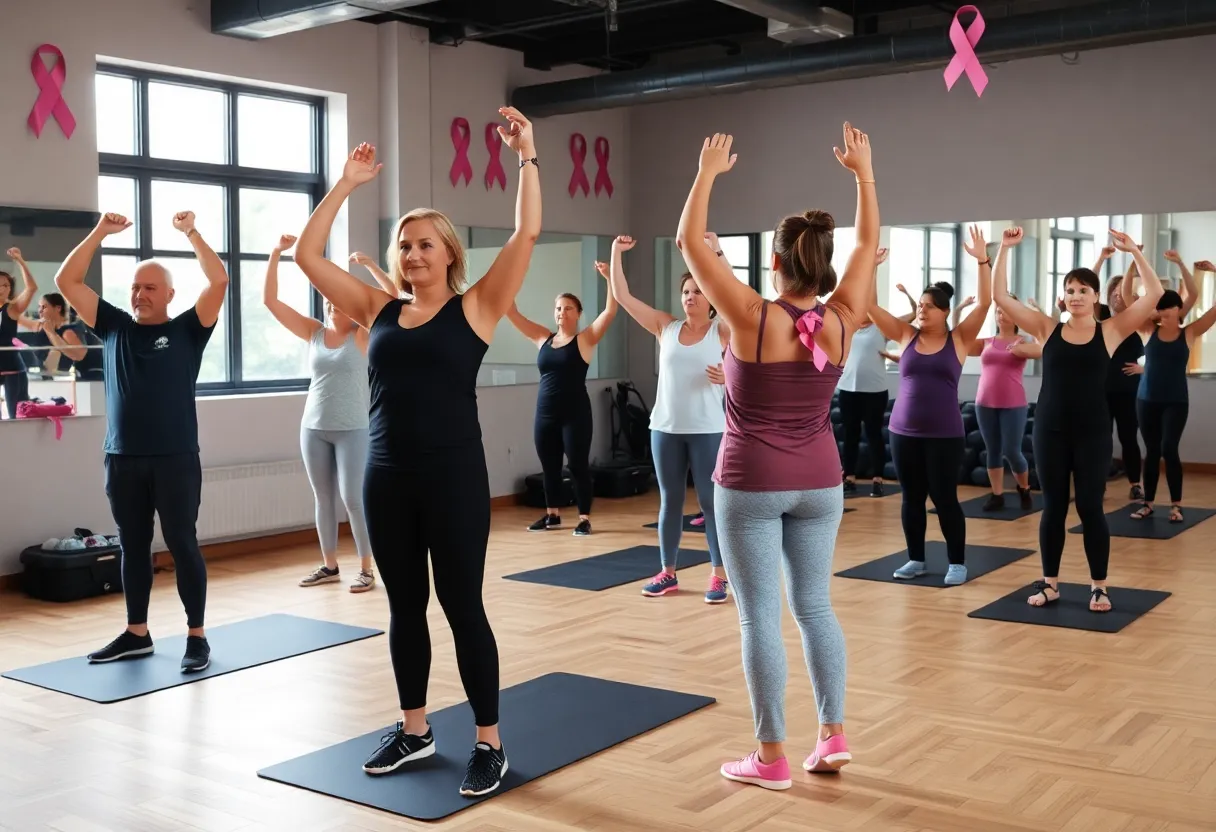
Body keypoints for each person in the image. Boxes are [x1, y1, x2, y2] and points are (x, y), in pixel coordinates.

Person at [292, 107, 539, 798]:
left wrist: (528, 157)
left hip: (455, 478)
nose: (414, 254)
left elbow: (526, 232)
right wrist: (343, 185)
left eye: (427, 244)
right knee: (405, 609)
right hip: (389, 478)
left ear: (450, 255)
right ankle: (415, 728)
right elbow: (310, 259)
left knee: (463, 607)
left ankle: (488, 741)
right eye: (405, 245)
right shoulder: (377, 309)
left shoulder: (479, 307)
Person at [676, 125, 876, 790]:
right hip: (822, 481)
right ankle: (833, 734)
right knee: (815, 608)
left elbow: (686, 245)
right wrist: (864, 176)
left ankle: (770, 758)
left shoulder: (751, 317)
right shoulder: (843, 317)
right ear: (821, 264)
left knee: (760, 615)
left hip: (751, 481)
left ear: (777, 265)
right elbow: (869, 246)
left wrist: (707, 174)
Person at [55, 210, 228, 671]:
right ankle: (137, 633)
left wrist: (192, 232)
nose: (140, 294)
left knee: (181, 542)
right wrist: (99, 232)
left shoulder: (189, 329)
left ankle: (197, 636)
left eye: (150, 287)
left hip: (174, 458)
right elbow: (67, 279)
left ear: (170, 294)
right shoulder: (114, 326)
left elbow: (219, 281)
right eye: (135, 286)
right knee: (133, 545)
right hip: (123, 457)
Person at [992, 226, 1162, 614]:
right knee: (1053, 507)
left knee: (1089, 507)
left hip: (1092, 433)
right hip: (1050, 432)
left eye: (1084, 290)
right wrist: (1003, 248)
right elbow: (999, 296)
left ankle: (1098, 587)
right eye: (1070, 290)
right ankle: (1050, 583)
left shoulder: (1112, 330)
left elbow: (1151, 295)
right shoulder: (1047, 328)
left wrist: (1134, 249)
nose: (1076, 296)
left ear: (1097, 297)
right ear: (1063, 297)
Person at [603, 233, 730, 603]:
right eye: (685, 292)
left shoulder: (722, 331)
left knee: (710, 503)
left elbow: (731, 291)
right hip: (665, 429)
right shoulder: (665, 327)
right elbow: (623, 296)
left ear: (709, 298)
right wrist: (615, 253)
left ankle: (718, 576)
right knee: (669, 500)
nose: (690, 297)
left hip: (707, 430)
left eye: (697, 291)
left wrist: (716, 251)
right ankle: (668, 572)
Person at [869, 226, 992, 585]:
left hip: (944, 434)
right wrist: (873, 268)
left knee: (944, 498)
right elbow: (871, 307)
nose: (920, 311)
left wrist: (983, 261)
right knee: (911, 498)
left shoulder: (960, 339)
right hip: (902, 432)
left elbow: (984, 303)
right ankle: (916, 559)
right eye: (919, 306)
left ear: (943, 311)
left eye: (926, 306)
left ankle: (957, 562)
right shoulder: (906, 335)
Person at [261, 234, 375, 592]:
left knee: (353, 499)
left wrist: (371, 267)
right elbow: (270, 302)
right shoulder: (314, 332)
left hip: (353, 428)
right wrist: (276, 253)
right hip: (313, 427)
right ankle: (329, 566)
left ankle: (367, 568)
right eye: (326, 300)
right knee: (322, 498)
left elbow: (393, 304)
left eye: (336, 300)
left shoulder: (364, 334)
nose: (329, 304)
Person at [506, 266, 618, 536]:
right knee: (549, 466)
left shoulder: (585, 340)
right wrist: (510, 281)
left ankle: (584, 518)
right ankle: (551, 515)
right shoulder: (543, 338)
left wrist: (610, 279)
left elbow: (610, 312)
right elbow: (512, 313)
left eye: (568, 308)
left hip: (575, 414)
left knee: (578, 465)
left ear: (578, 314)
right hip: (545, 414)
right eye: (558, 308)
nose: (561, 312)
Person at [1126, 263, 1216, 523]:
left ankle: (1176, 505)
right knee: (1152, 450)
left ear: (1179, 310)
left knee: (1169, 448)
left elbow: (1211, 309)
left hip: (1175, 402)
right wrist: (1134, 261)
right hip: (1146, 400)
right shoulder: (1147, 331)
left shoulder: (1188, 333)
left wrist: (1186, 265)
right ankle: (1149, 503)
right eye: (1160, 307)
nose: (1163, 311)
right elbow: (1129, 299)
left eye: (1168, 307)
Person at [836, 247, 904, 498]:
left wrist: (873, 267)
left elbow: (872, 300)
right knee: (850, 436)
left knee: (874, 435)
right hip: (848, 390)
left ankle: (878, 479)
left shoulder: (880, 330)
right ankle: (849, 477)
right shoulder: (849, 329)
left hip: (874, 392)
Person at [969, 295, 1040, 511]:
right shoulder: (986, 342)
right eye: (998, 311)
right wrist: (960, 311)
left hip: (1013, 403)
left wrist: (1037, 314)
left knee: (1012, 450)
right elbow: (959, 340)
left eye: (1006, 311)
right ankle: (997, 495)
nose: (1001, 315)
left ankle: (1024, 488)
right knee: (993, 449)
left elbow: (1044, 347)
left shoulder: (1023, 341)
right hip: (985, 402)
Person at [17, 292, 105, 381]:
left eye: (44, 307)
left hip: (92, 375)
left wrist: (51, 333)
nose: (40, 310)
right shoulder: (42, 326)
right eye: (39, 307)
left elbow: (80, 355)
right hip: (55, 376)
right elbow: (16, 317)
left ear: (58, 308)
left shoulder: (68, 331)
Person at [1, 247, 37, 418]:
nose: (1, 288)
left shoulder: (12, 308)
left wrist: (20, 261)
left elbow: (31, 288)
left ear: (10, 289)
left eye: (5, 285)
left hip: (12, 368)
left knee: (16, 416)